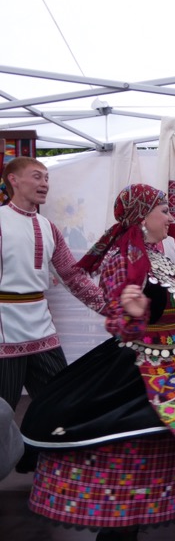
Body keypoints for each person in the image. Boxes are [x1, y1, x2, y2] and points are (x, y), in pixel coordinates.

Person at [20, 184, 175, 541]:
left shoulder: (159, 255)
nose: (171, 217)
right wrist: (133, 315)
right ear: (142, 217)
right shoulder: (122, 259)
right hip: (142, 369)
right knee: (132, 457)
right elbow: (119, 323)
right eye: (164, 211)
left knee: (169, 453)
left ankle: (132, 525)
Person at [0, 157, 106, 410]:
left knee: (60, 403)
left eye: (47, 178)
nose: (45, 184)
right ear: (13, 180)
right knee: (2, 413)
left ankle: (43, 451)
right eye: (37, 176)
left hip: (41, 327)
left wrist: (109, 308)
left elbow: (73, 275)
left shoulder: (48, 227)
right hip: (3, 328)